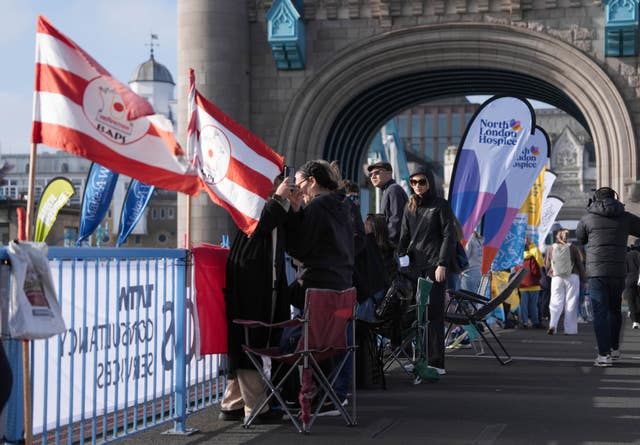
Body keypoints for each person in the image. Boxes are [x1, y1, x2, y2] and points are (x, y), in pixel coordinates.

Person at [218, 175, 293, 423]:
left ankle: (233, 403)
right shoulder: (248, 202)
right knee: (249, 339)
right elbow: (258, 227)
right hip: (248, 285)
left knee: (251, 339)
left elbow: (288, 231)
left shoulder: (269, 205)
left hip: (263, 285)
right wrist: (280, 198)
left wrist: (292, 203)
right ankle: (256, 407)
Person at [283, 159, 356, 411]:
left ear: (312, 181)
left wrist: (293, 213)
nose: (299, 190)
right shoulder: (343, 205)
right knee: (329, 341)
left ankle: (300, 396)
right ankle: (333, 393)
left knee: (291, 340)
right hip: (342, 286)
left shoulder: (317, 206)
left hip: (316, 286)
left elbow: (300, 248)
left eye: (301, 184)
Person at [397, 165, 457, 375]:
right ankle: (418, 359)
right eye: (413, 182)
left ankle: (436, 362)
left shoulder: (441, 205)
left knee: (433, 314)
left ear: (430, 182)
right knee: (416, 315)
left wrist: (443, 263)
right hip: (413, 267)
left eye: (422, 182)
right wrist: (400, 256)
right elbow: (403, 236)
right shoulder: (409, 206)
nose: (417, 186)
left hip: (433, 266)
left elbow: (449, 236)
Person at [576, 187, 640, 367]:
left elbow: (580, 240)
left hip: (596, 272)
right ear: (616, 198)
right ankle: (614, 349)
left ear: (595, 199)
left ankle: (603, 355)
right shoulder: (625, 216)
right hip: (618, 271)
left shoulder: (588, 218)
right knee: (614, 310)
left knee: (600, 313)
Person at [544, 229, 585, 335]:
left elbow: (547, 264)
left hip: (556, 277)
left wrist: (550, 273)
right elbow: (580, 265)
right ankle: (570, 330)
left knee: (555, 302)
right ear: (568, 237)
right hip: (572, 276)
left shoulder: (551, 248)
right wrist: (584, 279)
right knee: (571, 302)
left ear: (557, 237)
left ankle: (553, 326)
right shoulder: (573, 248)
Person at [367, 161, 408, 248]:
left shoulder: (393, 190)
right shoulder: (388, 190)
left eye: (377, 172)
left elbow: (396, 219)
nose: (373, 176)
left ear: (389, 173)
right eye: (370, 174)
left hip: (394, 246)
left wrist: (386, 243)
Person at [518, 237, 544, 329]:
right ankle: (535, 322)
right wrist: (539, 277)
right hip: (534, 284)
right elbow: (538, 267)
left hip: (522, 284)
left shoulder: (518, 254)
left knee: (523, 305)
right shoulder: (534, 253)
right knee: (534, 305)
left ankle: (524, 322)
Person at [623, 239, 640, 329]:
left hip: (629, 280)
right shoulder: (638, 255)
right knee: (638, 300)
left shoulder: (627, 256)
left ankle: (635, 321)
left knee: (631, 301)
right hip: (638, 278)